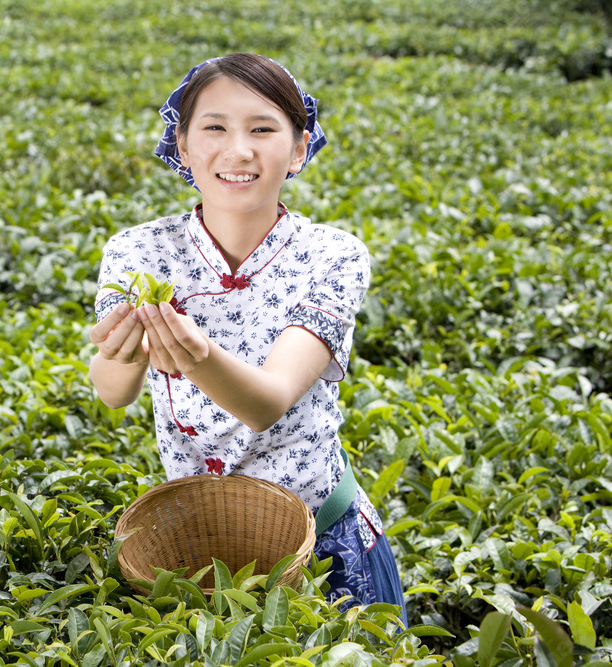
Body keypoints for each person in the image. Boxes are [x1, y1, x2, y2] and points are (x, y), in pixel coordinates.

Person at [89, 53, 407, 619]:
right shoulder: (138, 251)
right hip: (196, 551)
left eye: (263, 129)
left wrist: (197, 354)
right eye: (214, 128)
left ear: (300, 147)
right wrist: (125, 350)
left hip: (321, 538)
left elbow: (268, 403)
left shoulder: (332, 256)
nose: (238, 151)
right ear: (182, 145)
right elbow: (114, 391)